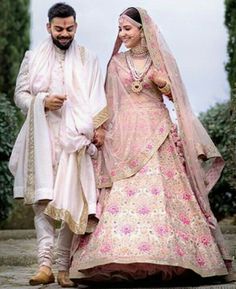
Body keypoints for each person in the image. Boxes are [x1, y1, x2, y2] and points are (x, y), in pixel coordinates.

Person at [69, 7, 234, 285]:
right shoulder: (116, 63)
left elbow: (177, 98)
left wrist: (165, 85)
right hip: (123, 136)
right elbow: (107, 102)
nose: (122, 34)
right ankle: (116, 255)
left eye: (127, 29)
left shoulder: (160, 62)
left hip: (158, 133)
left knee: (165, 194)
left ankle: (177, 256)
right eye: (120, 29)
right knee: (121, 194)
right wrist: (99, 130)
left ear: (142, 30)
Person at [9, 2, 107, 287]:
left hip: (74, 139)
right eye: (59, 29)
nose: (65, 34)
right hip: (42, 135)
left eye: (70, 28)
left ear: (76, 26)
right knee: (43, 200)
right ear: (48, 27)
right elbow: (20, 95)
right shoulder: (32, 56)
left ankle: (63, 267)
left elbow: (97, 96)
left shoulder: (88, 58)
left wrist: (96, 129)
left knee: (70, 200)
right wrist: (42, 103)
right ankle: (44, 265)